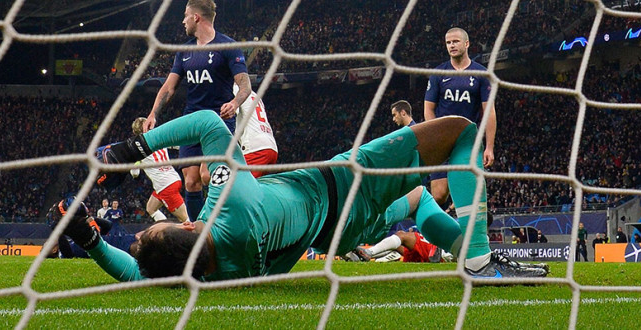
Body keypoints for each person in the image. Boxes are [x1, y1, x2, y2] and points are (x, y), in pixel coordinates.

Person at [53, 110, 547, 282]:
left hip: (339, 233)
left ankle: (466, 253)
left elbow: (140, 271)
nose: (142, 231)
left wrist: (93, 242)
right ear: (184, 225)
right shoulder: (232, 208)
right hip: (343, 183)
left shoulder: (211, 273)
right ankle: (479, 259)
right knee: (462, 132)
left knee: (419, 201)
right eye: (148, 230)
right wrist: (132, 150)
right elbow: (206, 123)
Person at [145, 0, 252, 220]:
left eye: (185, 16)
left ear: (196, 17)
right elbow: (169, 87)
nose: (183, 21)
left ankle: (221, 223)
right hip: (191, 120)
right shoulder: (183, 51)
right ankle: (196, 231)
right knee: (191, 181)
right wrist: (154, 113)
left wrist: (234, 103)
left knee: (207, 175)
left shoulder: (228, 47)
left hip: (218, 120)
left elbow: (245, 84)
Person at [424, 27, 495, 207]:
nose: (451, 45)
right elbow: (428, 109)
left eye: (455, 41)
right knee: (439, 195)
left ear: (467, 43)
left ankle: (467, 230)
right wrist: (435, 135)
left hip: (467, 141)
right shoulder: (438, 73)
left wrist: (489, 147)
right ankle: (430, 229)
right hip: (442, 140)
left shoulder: (482, 74)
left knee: (466, 193)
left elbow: (489, 111)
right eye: (448, 42)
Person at [130, 117, 189, 223]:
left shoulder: (138, 148)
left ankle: (200, 236)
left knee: (186, 219)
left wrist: (136, 166)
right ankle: (164, 229)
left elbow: (135, 173)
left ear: (135, 132)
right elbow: (178, 146)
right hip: (173, 179)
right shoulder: (159, 138)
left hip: (165, 186)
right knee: (151, 208)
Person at [235, 91, 278, 178]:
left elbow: (228, 115)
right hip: (271, 146)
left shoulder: (234, 90)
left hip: (255, 148)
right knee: (257, 187)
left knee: (239, 187)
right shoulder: (253, 94)